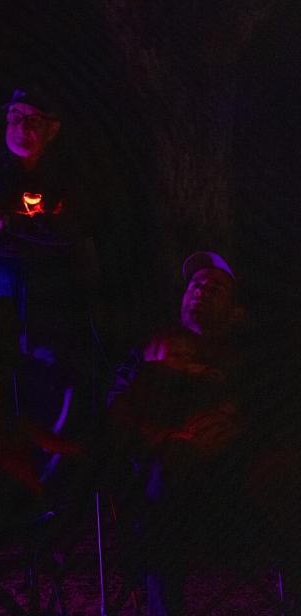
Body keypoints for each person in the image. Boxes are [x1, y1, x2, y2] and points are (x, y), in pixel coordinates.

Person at [0, 86, 98, 506]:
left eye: (32, 119)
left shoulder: (67, 175)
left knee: (52, 390)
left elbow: (75, 233)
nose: (22, 127)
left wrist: (7, 221)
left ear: (51, 130)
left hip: (50, 303)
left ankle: (47, 493)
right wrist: (42, 229)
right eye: (15, 116)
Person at [106, 251, 256, 615]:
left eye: (216, 287)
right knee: (163, 464)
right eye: (196, 283)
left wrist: (230, 420)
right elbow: (115, 409)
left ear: (236, 312)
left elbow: (253, 416)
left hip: (221, 481)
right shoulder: (151, 348)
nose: (201, 289)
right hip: (152, 467)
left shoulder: (244, 364)